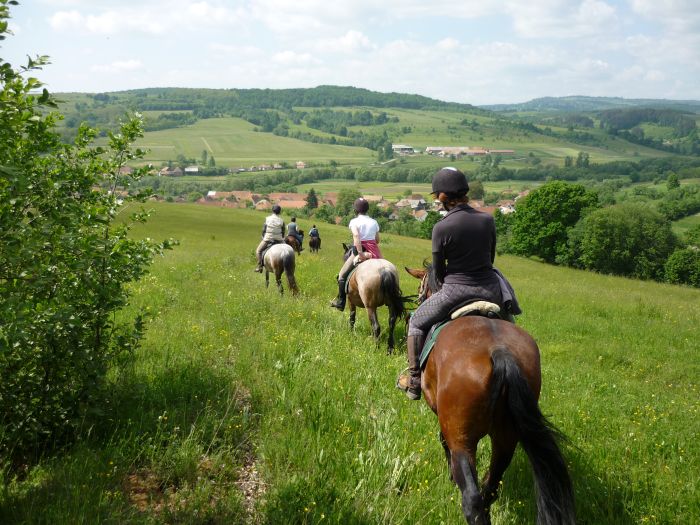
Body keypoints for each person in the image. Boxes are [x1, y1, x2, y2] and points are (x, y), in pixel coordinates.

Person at [397, 167, 505, 400]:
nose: (437, 202)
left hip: (456, 290)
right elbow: (491, 257)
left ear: (443, 197)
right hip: (492, 289)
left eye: (437, 197)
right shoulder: (487, 219)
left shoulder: (442, 227)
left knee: (416, 321)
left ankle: (415, 380)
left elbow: (439, 271)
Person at [329, 197, 382, 311]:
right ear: (367, 209)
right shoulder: (374, 222)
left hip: (360, 250)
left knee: (342, 276)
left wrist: (361, 254)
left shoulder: (354, 222)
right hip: (374, 251)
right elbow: (377, 240)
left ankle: (341, 303)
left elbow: (357, 237)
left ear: (356, 210)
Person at [254, 204, 285, 272]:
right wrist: (281, 238)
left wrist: (263, 237)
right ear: (279, 212)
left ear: (272, 211)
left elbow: (263, 230)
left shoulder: (267, 219)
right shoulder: (281, 220)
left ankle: (260, 267)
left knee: (258, 251)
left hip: (268, 239)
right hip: (279, 239)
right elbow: (283, 231)